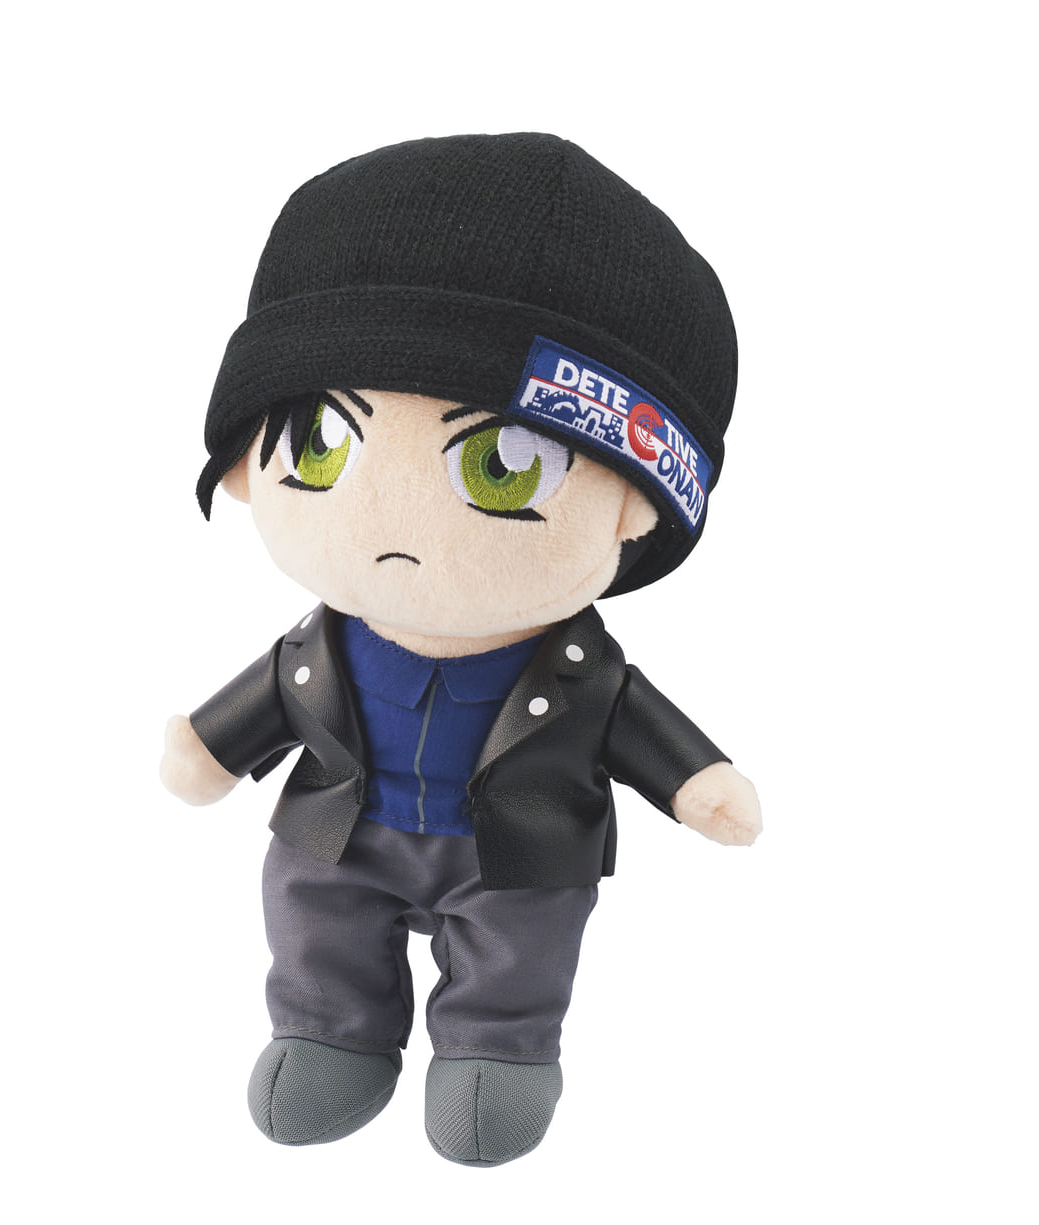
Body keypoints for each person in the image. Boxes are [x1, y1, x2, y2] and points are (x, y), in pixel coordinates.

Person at [160, 133, 762, 1167]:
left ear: (634, 506)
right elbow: (264, 704)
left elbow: (643, 728)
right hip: (339, 839)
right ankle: (329, 1028)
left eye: (501, 467)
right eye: (320, 444)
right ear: (251, 464)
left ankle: (496, 1046)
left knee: (520, 952)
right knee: (311, 920)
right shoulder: (315, 648)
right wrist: (208, 750)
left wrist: (699, 783)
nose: (392, 527)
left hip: (514, 857)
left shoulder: (586, 674)